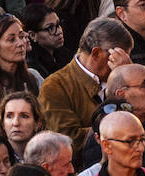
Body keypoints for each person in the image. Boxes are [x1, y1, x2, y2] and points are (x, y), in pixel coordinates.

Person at [39, 17, 134, 152]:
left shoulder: (119, 75)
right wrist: (116, 130)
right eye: (116, 56)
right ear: (96, 53)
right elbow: (68, 140)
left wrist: (129, 81)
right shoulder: (55, 86)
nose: (122, 63)